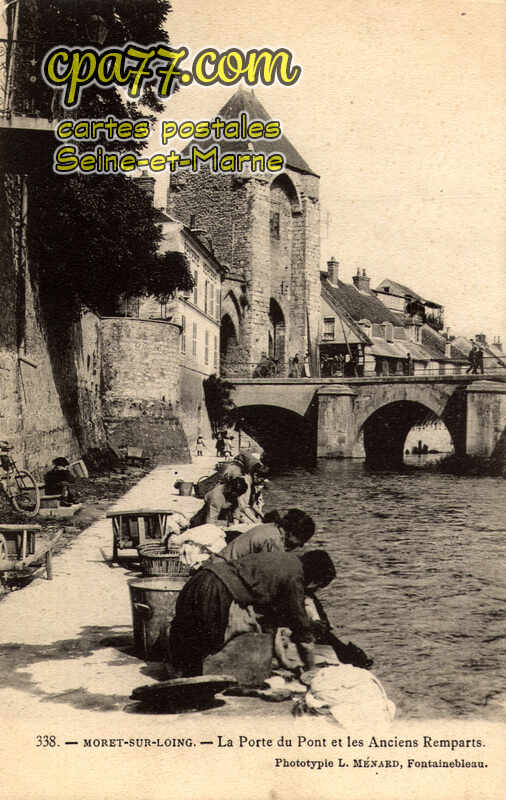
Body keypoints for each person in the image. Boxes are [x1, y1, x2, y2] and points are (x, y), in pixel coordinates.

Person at [167, 549, 336, 677]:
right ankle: (191, 693)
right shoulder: (295, 578)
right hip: (216, 588)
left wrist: (284, 662)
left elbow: (272, 625)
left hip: (199, 579)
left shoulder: (285, 561)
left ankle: (177, 673)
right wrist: (312, 670)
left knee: (187, 636)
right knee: (204, 643)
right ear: (316, 580)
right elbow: (302, 631)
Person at [219, 508, 315, 561]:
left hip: (220, 564)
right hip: (223, 571)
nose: (300, 546)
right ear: (291, 532)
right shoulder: (274, 540)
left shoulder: (272, 527)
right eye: (301, 540)